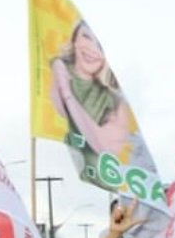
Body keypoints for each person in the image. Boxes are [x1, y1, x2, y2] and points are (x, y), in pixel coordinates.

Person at [50, 21, 131, 168]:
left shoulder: (114, 102)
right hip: (59, 164)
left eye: (99, 46)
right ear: (75, 39)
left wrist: (68, 95)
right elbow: (57, 109)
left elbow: (106, 148)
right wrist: (59, 79)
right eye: (86, 37)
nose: (91, 48)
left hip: (105, 181)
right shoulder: (56, 69)